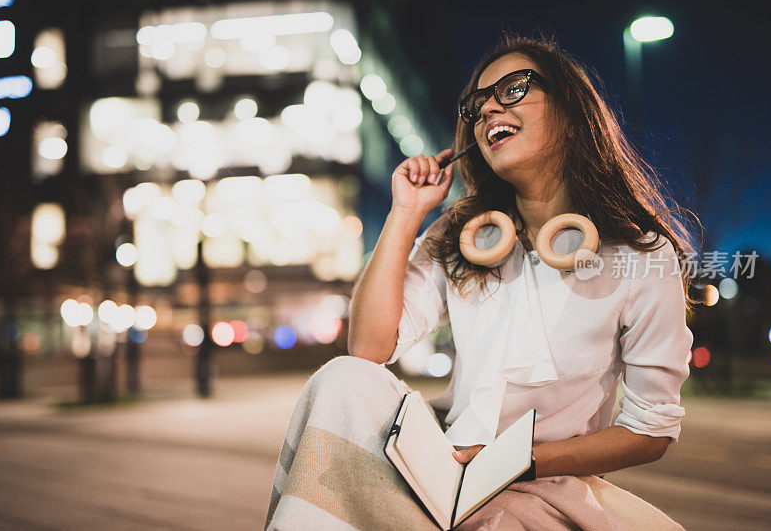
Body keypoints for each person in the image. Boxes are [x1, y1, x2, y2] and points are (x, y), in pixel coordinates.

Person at [266, 35, 700, 531]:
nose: (488, 107)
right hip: (437, 464)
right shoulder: (462, 237)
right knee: (341, 379)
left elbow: (651, 431)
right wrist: (406, 215)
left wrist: (516, 461)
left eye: (513, 89)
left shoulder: (640, 256)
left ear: (570, 109)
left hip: (542, 481)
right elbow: (367, 348)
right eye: (476, 104)